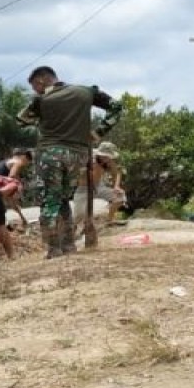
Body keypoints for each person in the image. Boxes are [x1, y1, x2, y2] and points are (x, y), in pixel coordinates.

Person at [17, 66, 122, 258]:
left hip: (50, 154)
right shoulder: (87, 91)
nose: (35, 91)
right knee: (64, 199)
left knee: (50, 200)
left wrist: (41, 119)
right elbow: (117, 107)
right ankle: (69, 246)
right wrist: (98, 132)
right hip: (78, 155)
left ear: (41, 81)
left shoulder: (41, 99)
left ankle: (53, 248)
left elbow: (21, 119)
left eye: (34, 86)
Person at [73, 141, 125, 228]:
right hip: (84, 188)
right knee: (80, 215)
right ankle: (71, 229)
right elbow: (77, 176)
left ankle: (110, 220)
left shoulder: (108, 161)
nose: (107, 158)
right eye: (105, 156)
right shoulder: (88, 158)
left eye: (108, 156)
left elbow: (117, 173)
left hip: (99, 186)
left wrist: (116, 186)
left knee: (120, 197)